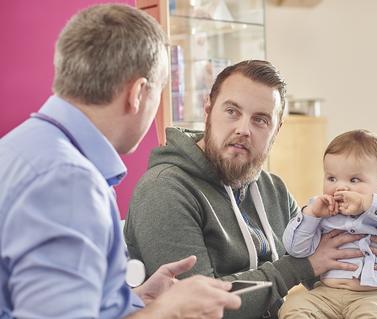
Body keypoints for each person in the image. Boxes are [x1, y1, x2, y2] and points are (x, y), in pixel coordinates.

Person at [124, 60, 377, 319]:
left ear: (276, 131)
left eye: (260, 120)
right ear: (208, 110)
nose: (243, 129)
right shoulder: (165, 190)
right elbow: (200, 309)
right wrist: (300, 267)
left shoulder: (273, 189)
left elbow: (329, 276)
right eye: (232, 111)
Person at [0, 4, 241, 319]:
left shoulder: (23, 147)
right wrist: (166, 312)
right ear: (139, 92)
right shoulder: (68, 180)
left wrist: (133, 300)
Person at [280, 129, 377, 318]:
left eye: (354, 179)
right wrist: (310, 215)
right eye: (331, 178)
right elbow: (296, 249)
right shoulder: (321, 209)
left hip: (373, 295)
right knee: (293, 308)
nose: (340, 186)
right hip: (325, 293)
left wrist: (367, 203)